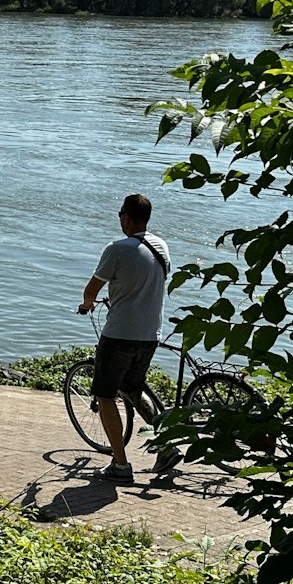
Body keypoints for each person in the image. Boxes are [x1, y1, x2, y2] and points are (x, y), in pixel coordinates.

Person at [77, 193, 171, 483]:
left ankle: (120, 465)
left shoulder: (117, 249)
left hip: (120, 334)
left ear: (126, 218)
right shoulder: (161, 246)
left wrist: (87, 304)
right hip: (150, 335)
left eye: (120, 215)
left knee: (105, 396)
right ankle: (166, 443)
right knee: (132, 387)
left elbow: (92, 289)